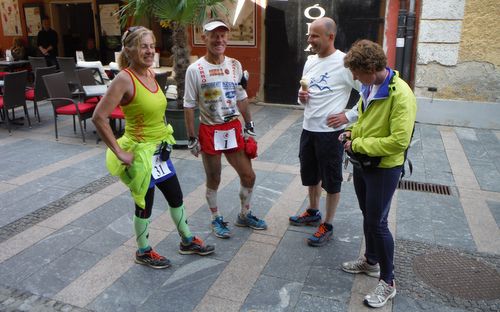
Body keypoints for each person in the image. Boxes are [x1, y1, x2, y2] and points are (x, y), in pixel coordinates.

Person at [92, 26, 214, 269]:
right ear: (129, 50)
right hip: (140, 155)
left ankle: (187, 240)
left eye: (151, 45)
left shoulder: (149, 73)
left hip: (159, 153)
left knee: (176, 196)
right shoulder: (124, 78)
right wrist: (118, 151)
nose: (149, 51)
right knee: (144, 205)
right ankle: (143, 251)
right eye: (143, 46)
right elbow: (99, 116)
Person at [340, 39, 416, 308]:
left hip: (384, 168)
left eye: (357, 72)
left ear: (371, 68)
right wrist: (352, 132)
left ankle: (388, 281)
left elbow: (398, 141)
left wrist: (357, 143)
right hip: (365, 163)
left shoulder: (401, 95)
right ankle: (370, 261)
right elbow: (364, 119)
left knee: (378, 223)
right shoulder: (369, 85)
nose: (354, 77)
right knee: (369, 216)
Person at [184, 19, 267, 239]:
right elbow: (189, 106)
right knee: (214, 178)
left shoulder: (235, 65)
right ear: (205, 39)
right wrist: (192, 138)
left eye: (223, 35)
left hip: (232, 128)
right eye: (214, 36)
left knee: (248, 175)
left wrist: (249, 125)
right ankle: (216, 218)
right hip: (210, 130)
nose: (219, 40)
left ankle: (244, 213)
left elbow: (241, 97)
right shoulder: (195, 69)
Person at [288, 17, 360, 247]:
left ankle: (327, 224)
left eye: (315, 36)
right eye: (309, 35)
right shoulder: (310, 61)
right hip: (309, 127)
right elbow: (304, 94)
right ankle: (313, 211)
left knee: (331, 178)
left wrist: (348, 116)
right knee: (311, 174)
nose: (310, 40)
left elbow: (369, 93)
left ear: (331, 37)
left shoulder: (345, 63)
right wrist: (301, 97)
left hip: (331, 132)